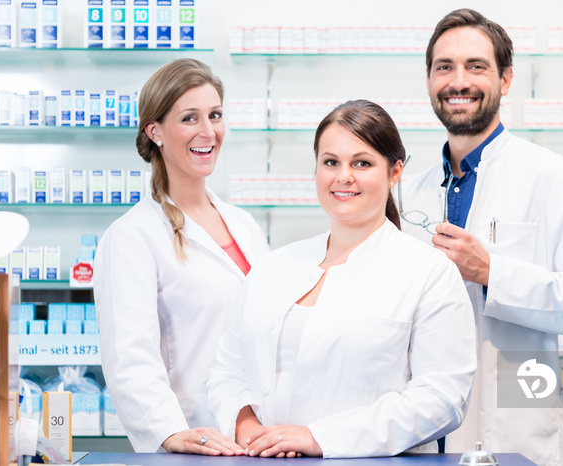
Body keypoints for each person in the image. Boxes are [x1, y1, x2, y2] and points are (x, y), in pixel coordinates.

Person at [399, 9, 563, 465]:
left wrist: (492, 272)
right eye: (444, 67)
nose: (459, 81)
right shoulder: (408, 190)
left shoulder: (550, 176)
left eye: (476, 66)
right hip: (417, 436)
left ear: (507, 78)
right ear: (428, 80)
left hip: (513, 434)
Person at [206, 99, 477, 458]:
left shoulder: (427, 271)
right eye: (330, 162)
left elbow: (442, 399)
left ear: (395, 172)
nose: (342, 176)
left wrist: (320, 438)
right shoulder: (274, 267)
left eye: (361, 163)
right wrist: (247, 428)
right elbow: (227, 368)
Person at [94, 58, 269, 455]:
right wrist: (169, 431)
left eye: (215, 115)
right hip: (197, 437)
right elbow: (129, 355)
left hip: (259, 436)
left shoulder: (244, 224)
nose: (208, 132)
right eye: (190, 118)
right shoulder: (131, 237)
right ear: (154, 131)